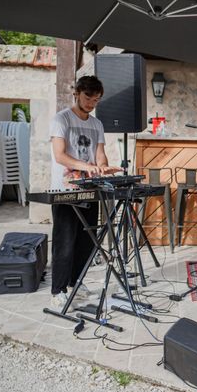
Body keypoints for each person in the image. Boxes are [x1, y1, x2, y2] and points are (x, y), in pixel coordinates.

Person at [49, 76, 120, 308]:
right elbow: (60, 155)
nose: (91, 103)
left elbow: (100, 154)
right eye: (88, 97)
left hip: (90, 188)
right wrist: (88, 166)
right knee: (65, 241)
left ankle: (75, 283)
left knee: (86, 241)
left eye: (96, 99)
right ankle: (58, 290)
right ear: (77, 93)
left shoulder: (97, 124)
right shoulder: (62, 119)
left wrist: (102, 166)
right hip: (65, 189)